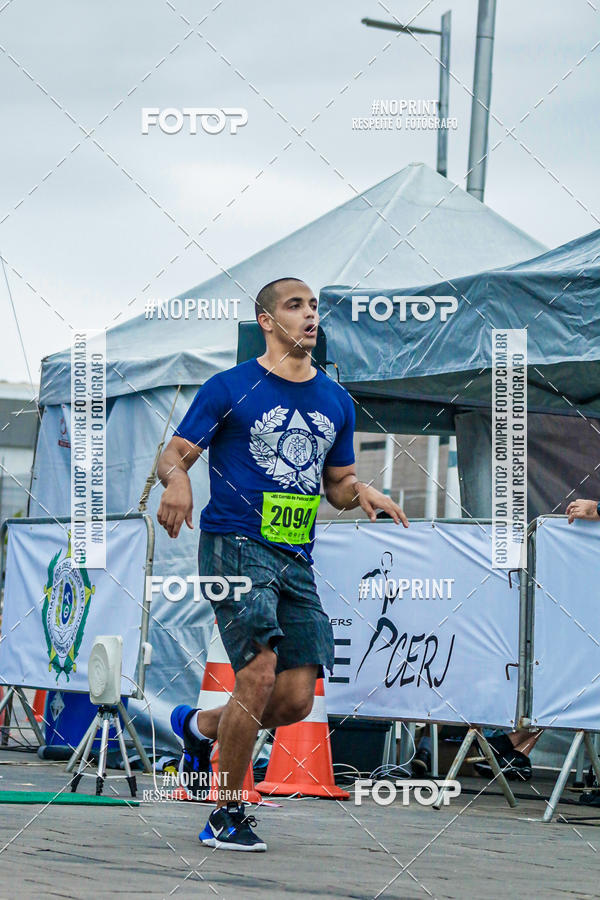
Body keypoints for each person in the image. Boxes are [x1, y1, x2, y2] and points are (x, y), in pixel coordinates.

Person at [156, 277, 409, 851]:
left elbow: (337, 484)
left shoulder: (336, 400)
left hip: (296, 555)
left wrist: (360, 492)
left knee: (295, 698)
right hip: (235, 543)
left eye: (314, 307)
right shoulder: (231, 387)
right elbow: (174, 454)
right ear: (267, 321)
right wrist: (177, 484)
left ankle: (198, 728)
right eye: (295, 306)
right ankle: (226, 811)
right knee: (258, 673)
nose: (310, 316)